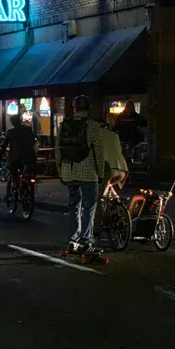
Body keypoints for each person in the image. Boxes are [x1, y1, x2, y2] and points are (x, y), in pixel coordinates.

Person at [56, 96, 116, 255]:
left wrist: (60, 171)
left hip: (69, 172)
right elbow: (99, 152)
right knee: (89, 207)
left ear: (74, 108)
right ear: (88, 108)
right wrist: (101, 173)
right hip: (88, 174)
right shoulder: (92, 126)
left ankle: (72, 241)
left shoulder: (64, 125)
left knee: (74, 206)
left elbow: (58, 150)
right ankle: (85, 241)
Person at [0, 114, 37, 180]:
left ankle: (16, 182)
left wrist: (0, 155)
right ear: (20, 121)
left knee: (12, 170)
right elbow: (33, 142)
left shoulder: (10, 132)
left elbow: (4, 145)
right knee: (31, 171)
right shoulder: (28, 129)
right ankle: (29, 183)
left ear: (12, 123)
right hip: (29, 156)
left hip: (16, 157)